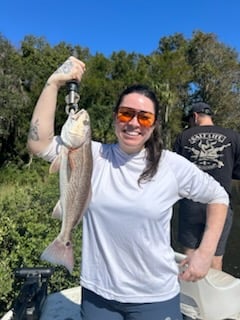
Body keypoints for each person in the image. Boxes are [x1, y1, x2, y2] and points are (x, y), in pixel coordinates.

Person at [27, 57, 229, 320]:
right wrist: (53, 83)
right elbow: (38, 143)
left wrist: (205, 252)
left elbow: (218, 196)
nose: (133, 123)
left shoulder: (172, 165)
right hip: (98, 295)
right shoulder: (91, 154)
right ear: (115, 118)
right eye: (126, 114)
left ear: (154, 124)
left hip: (155, 297)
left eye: (144, 117)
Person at [173, 102, 240, 270]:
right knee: (215, 257)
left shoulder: (184, 137)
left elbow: (175, 172)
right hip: (221, 205)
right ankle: (212, 294)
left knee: (189, 254)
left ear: (195, 116)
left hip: (190, 204)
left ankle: (190, 289)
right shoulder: (233, 137)